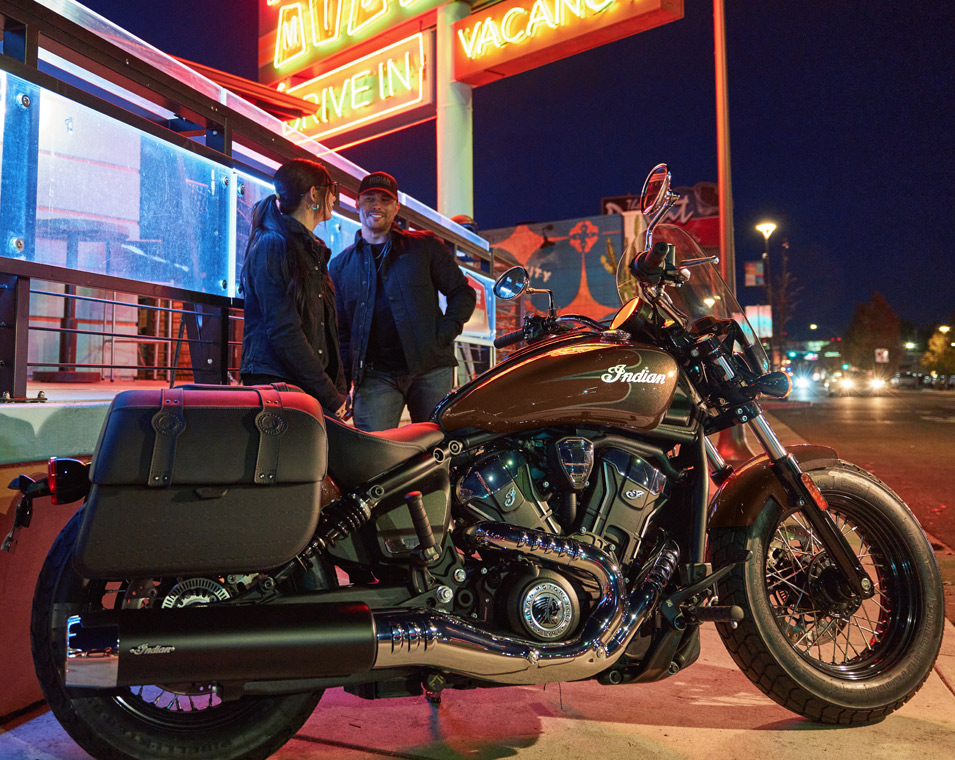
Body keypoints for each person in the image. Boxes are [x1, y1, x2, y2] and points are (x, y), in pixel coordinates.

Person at [330, 171, 476, 431]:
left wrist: (443, 335)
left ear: (396, 207)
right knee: (373, 450)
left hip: (430, 369)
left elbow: (462, 293)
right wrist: (343, 384)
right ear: (357, 203)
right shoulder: (341, 265)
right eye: (369, 199)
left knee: (434, 446)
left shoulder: (424, 246)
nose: (377, 205)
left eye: (385, 200)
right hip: (374, 377)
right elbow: (341, 331)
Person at [240, 158, 348, 418]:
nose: (335, 197)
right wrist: (329, 393)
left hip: (305, 389)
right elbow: (284, 330)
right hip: (280, 389)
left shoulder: (310, 250)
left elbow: (324, 331)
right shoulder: (273, 245)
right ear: (314, 194)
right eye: (332, 189)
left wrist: (337, 390)